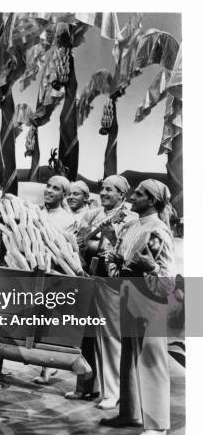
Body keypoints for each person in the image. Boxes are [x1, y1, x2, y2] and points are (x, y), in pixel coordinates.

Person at [100, 179, 175, 435]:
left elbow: (166, 277)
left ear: (152, 201)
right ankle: (129, 413)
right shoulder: (133, 225)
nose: (135, 195)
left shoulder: (159, 230)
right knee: (129, 356)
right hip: (130, 294)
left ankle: (157, 426)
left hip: (152, 300)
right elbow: (118, 263)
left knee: (152, 360)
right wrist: (111, 243)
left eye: (141, 193)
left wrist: (152, 269)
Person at [75, 174, 137, 409]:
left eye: (110, 190)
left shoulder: (129, 219)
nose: (103, 193)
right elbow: (79, 238)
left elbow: (129, 254)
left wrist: (112, 240)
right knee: (85, 335)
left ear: (122, 195)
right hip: (89, 275)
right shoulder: (94, 214)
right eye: (102, 189)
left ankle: (113, 392)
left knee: (110, 336)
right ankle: (85, 387)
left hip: (111, 281)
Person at [34, 175, 74, 384]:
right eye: (48, 186)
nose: (49, 190)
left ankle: (46, 367)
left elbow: (62, 251)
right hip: (29, 269)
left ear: (64, 195)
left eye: (55, 188)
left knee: (46, 319)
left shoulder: (68, 220)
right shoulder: (35, 211)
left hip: (52, 273)